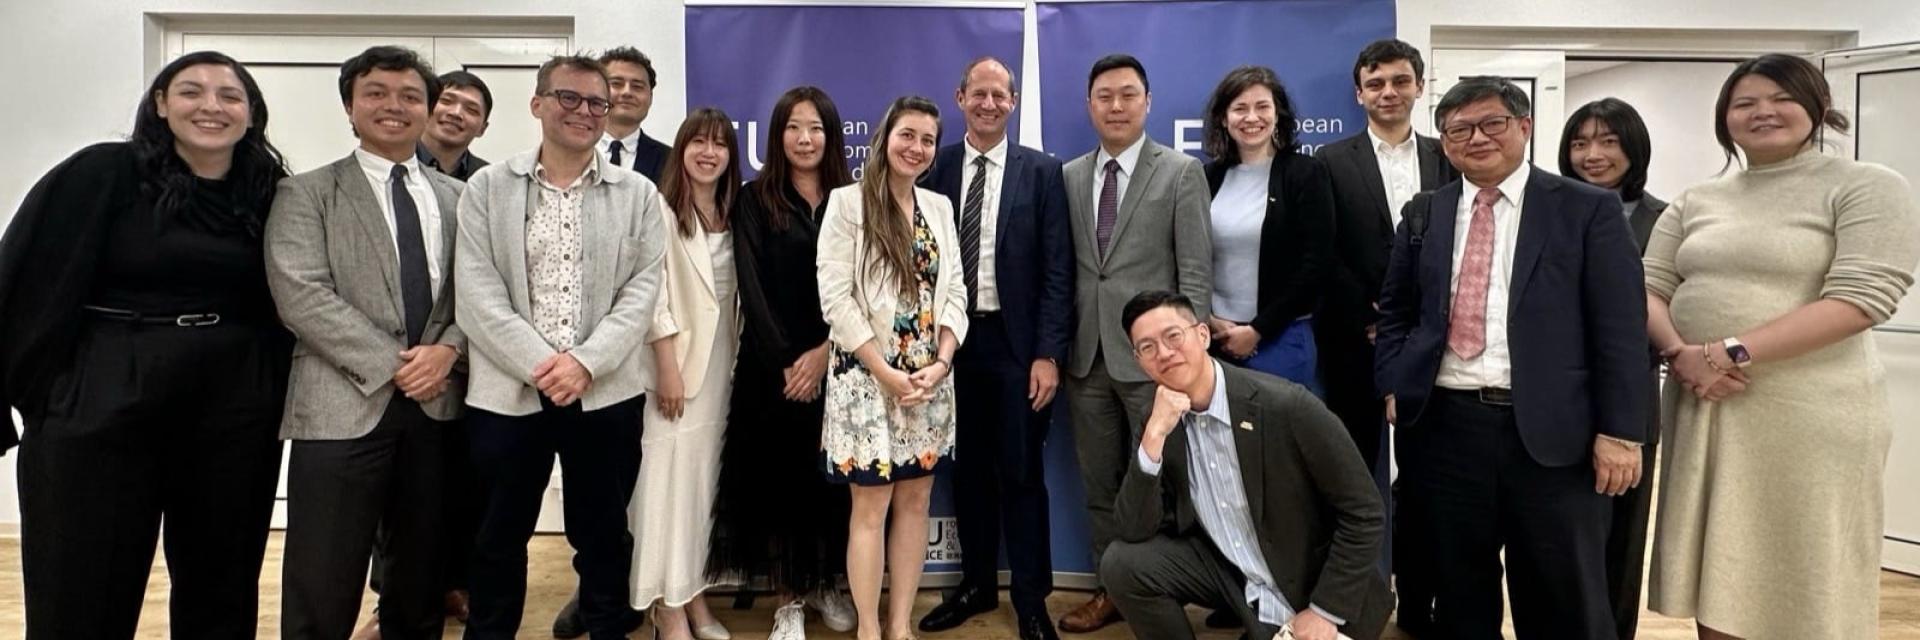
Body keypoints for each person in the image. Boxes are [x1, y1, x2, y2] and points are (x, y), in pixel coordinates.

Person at [0, 50, 291, 640]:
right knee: (81, 580)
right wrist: (41, 394)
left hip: (231, 403)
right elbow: (25, 276)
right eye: (191, 91)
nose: (211, 106)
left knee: (222, 579)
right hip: (104, 393)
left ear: (251, 112)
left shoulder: (269, 190)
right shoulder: (102, 172)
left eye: (230, 95)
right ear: (160, 103)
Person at [1644, 53, 1920, 640]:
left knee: (1807, 574)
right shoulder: (1697, 199)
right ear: (1725, 118)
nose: (1762, 112)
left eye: (1781, 98)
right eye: (1744, 103)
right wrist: (1681, 356)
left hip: (1810, 414)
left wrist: (1724, 353)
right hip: (1708, 406)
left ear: (1819, 107)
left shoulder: (1866, 185)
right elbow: (1648, 288)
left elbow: (1862, 299)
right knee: (1722, 574)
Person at [1373, 76, 1649, 640]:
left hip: (1554, 437)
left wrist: (1622, 432)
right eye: (1458, 130)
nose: (1476, 138)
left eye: (1491, 123)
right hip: (1445, 430)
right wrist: (1395, 383)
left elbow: (1621, 330)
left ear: (1524, 126)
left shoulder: (1586, 209)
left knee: (1561, 597)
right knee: (1459, 593)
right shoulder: (1425, 212)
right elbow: (1396, 310)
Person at [455, 54, 666, 640]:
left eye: (596, 102)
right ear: (538, 104)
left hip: (604, 393)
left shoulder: (637, 193)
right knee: (498, 535)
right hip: (508, 395)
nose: (584, 112)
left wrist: (585, 364)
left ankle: (606, 629)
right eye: (568, 98)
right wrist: (543, 366)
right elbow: (477, 294)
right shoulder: (488, 189)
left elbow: (642, 292)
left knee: (603, 534)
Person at [267, 45, 466, 640]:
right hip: (340, 406)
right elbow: (301, 294)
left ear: (428, 110)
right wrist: (398, 365)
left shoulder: (459, 199)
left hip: (437, 408)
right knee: (323, 577)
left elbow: (479, 291)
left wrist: (450, 350)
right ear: (350, 107)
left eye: (410, 96)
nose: (394, 106)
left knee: (420, 574)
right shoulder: (306, 192)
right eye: (376, 93)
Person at [1101, 290, 1390, 640]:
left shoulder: (1285, 406)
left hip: (1313, 587)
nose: (1163, 353)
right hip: (1235, 577)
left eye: (1173, 336)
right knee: (1121, 563)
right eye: (1147, 347)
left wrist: (1324, 611)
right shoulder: (1157, 420)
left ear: (1203, 335)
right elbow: (1133, 530)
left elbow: (1365, 512)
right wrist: (1153, 438)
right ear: (1139, 361)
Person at [915, 57, 1072, 640]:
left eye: (998, 95)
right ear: (960, 98)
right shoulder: (933, 167)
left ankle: (1031, 600)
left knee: (1022, 474)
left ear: (1013, 102)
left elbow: (1058, 270)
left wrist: (1048, 354)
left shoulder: (1042, 172)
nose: (988, 104)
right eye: (977, 93)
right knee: (967, 474)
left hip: (1017, 346)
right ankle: (976, 584)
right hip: (949, 348)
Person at [1059, 53, 1213, 634]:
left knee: (1162, 485)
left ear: (1148, 102)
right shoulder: (1070, 176)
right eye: (1105, 96)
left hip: (1157, 363)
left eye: (1128, 95)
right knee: (1101, 486)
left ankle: (1160, 590)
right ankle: (1112, 591)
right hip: (1086, 357)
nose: (1116, 106)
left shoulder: (1180, 173)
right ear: (1089, 105)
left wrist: (1188, 361)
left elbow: (1194, 272)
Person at [1314, 41, 1458, 636]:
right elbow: (1323, 252)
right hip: (1355, 344)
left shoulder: (1449, 156)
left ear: (1420, 86)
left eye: (1400, 81)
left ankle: (1421, 602)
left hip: (1438, 347)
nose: (1388, 92)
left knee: (1430, 481)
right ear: (1359, 93)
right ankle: (1357, 602)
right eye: (1375, 84)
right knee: (1352, 477)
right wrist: (1370, 318)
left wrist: (1419, 325)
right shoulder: (1329, 161)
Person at [706, 86, 859, 640]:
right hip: (772, 372)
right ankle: (787, 601)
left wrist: (825, 354)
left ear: (831, 135)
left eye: (815, 128)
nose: (804, 138)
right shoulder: (754, 199)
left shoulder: (852, 200)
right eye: (794, 127)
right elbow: (751, 288)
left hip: (839, 365)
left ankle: (824, 583)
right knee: (777, 488)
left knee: (831, 488)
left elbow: (863, 288)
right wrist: (791, 363)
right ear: (778, 135)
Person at [815, 95, 967, 640]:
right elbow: (836, 300)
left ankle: (900, 624)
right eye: (908, 134)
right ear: (885, 137)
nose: (916, 148)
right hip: (866, 379)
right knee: (870, 507)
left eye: (927, 139)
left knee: (916, 501)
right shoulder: (847, 203)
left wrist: (942, 363)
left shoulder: (939, 207)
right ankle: (869, 629)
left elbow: (956, 293)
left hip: (927, 383)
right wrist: (885, 371)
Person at [550, 44, 665, 640]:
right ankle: (595, 592)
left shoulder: (671, 161)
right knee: (588, 496)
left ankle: (632, 591)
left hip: (641, 352)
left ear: (649, 96)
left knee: (627, 485)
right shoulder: (550, 165)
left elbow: (655, 274)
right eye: (612, 84)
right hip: (560, 360)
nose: (623, 94)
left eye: (635, 85)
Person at [630, 107, 744, 640]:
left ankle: (693, 592)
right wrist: (667, 368)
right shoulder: (658, 206)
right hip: (673, 368)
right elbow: (650, 294)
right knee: (665, 489)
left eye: (719, 144)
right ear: (681, 150)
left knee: (701, 491)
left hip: (722, 367)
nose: (708, 152)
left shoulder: (734, 210)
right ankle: (666, 606)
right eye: (698, 142)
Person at [1558, 96, 1665, 640]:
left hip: (1627, 394)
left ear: (1633, 148)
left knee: (1620, 537)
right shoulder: (1550, 212)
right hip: (1557, 398)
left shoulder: (1663, 220)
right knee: (1563, 537)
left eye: (1607, 141)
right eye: (1580, 143)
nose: (1592, 155)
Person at [1200, 65, 1333, 394]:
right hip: (1215, 339)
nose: (1252, 118)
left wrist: (1258, 329)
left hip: (1282, 339)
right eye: (1240, 108)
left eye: (1262, 106)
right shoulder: (1207, 177)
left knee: (1281, 428)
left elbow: (1316, 264)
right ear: (1224, 118)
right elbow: (1189, 256)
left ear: (1278, 114)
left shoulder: (1305, 173)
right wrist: (1209, 319)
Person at [596, 46, 671, 182]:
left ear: (650, 97)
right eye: (616, 84)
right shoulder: (571, 152)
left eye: (637, 87)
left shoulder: (672, 161)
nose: (627, 92)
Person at [418, 69, 492, 181]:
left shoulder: (488, 178)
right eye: (446, 101)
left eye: (471, 110)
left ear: (482, 129)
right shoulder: (396, 160)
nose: (456, 113)